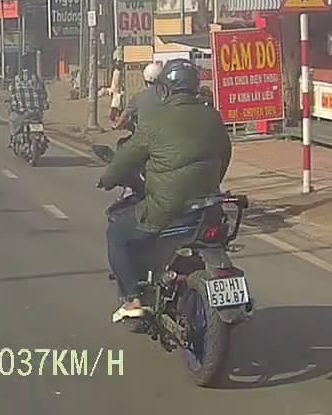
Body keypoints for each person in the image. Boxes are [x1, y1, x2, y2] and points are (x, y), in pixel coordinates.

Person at [96, 58, 232, 322]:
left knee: (117, 234)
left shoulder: (155, 119)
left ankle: (133, 299)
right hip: (208, 208)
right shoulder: (212, 116)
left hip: (169, 210)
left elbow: (127, 157)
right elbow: (224, 154)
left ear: (164, 88)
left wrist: (108, 179)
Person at [112, 62, 164, 131]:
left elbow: (125, 115)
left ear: (145, 80)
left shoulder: (138, 98)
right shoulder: (169, 95)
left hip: (145, 134)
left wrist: (117, 125)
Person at [8, 66, 48, 140]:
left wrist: (13, 105)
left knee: (12, 119)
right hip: (37, 112)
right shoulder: (38, 80)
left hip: (23, 112)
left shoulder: (16, 80)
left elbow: (13, 96)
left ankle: (13, 138)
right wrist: (44, 104)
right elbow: (44, 95)